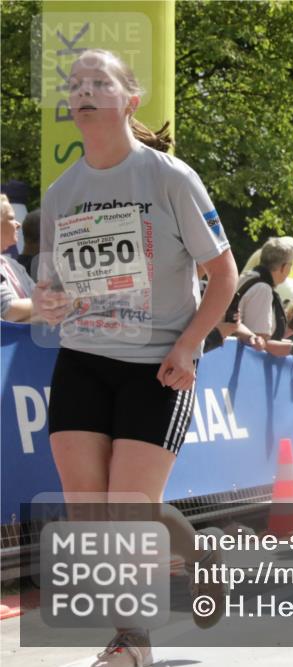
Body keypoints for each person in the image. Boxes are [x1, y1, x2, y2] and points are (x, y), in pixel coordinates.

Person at [32, 48, 237, 666]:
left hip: (158, 365)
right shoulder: (61, 193)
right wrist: (49, 301)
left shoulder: (169, 178)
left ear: (130, 99)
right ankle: (193, 557)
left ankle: (132, 641)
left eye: (100, 82)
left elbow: (223, 275)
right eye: (76, 84)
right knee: (92, 515)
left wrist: (189, 344)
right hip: (83, 358)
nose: (84, 91)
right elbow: (53, 289)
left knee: (127, 511)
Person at [236, 237, 293, 357]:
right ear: (284, 267)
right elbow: (260, 343)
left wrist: (289, 332)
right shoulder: (263, 289)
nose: (291, 270)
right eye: (291, 266)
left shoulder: (247, 277)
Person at [0, 195, 35, 322]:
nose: (18, 224)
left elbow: (38, 296)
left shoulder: (15, 265)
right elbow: (8, 309)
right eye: (11, 218)